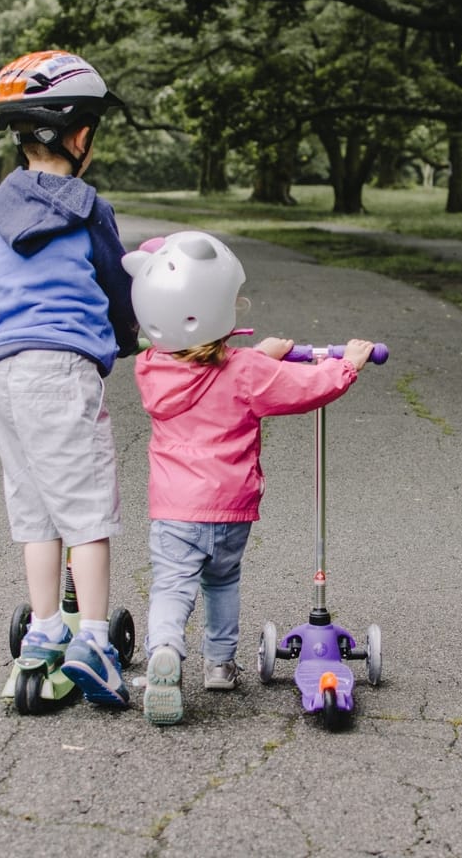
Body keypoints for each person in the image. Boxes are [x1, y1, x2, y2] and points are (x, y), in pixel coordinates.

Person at [120, 231, 375, 726]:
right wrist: (347, 365)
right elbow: (303, 388)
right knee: (222, 581)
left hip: (174, 508)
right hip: (230, 507)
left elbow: (206, 364)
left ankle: (165, 652)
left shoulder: (152, 368)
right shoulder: (246, 372)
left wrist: (261, 353)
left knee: (172, 586)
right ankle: (219, 665)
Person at [0, 49, 138, 709]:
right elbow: (118, 283)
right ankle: (94, 640)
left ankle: (44, 630)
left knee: (36, 512)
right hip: (61, 373)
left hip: (6, 374)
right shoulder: (88, 208)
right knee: (87, 512)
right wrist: (131, 339)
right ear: (79, 137)